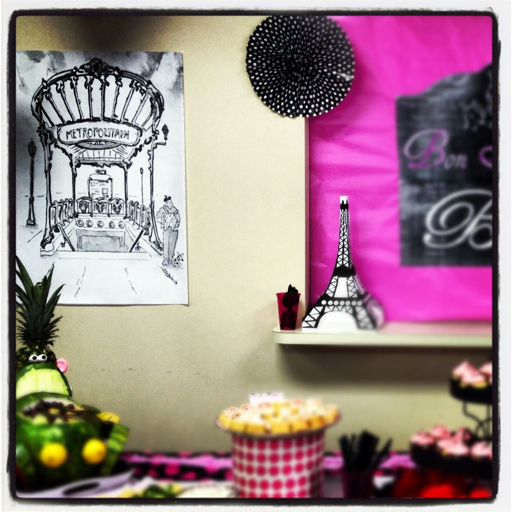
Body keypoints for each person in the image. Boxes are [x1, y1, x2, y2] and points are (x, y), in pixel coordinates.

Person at [156, 195, 181, 266]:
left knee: (172, 244)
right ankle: (166, 259)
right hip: (166, 229)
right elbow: (157, 217)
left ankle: (171, 259)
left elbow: (178, 219)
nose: (170, 204)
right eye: (169, 203)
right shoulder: (163, 210)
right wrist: (163, 220)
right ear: (166, 203)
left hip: (174, 230)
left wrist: (176, 223)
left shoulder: (175, 210)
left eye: (171, 202)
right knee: (166, 244)